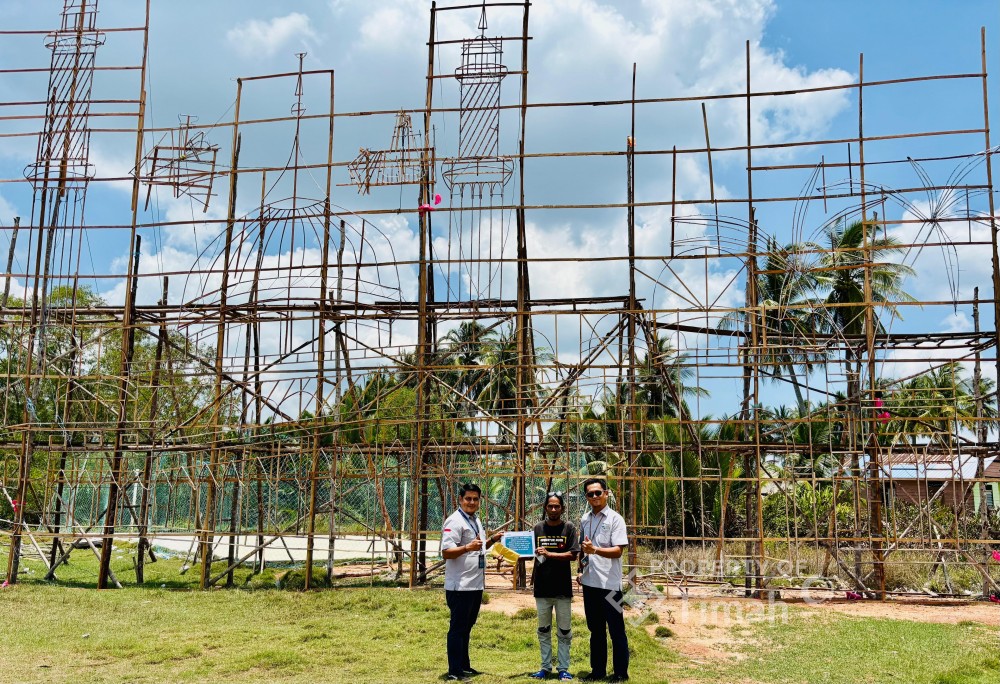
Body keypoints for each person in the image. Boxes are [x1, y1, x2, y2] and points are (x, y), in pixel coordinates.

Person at [441, 483, 502, 681]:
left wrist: (493, 540)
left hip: (475, 584)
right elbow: (446, 552)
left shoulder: (475, 520)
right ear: (460, 499)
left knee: (467, 627)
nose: (472, 502)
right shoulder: (454, 521)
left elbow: (479, 547)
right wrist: (467, 547)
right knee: (458, 628)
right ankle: (454, 670)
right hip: (460, 585)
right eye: (468, 498)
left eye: (475, 499)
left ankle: (464, 665)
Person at [577, 477, 629, 682]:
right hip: (590, 583)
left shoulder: (615, 519)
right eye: (590, 494)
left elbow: (618, 551)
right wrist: (580, 569)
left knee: (616, 629)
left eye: (598, 492)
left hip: (610, 585)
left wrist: (595, 550)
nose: (595, 497)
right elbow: (583, 548)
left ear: (606, 494)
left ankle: (620, 673)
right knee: (596, 630)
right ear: (586, 497)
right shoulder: (585, 519)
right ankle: (598, 671)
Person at [529, 491, 580, 681]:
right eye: (550, 506)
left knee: (564, 631)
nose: (553, 509)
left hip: (562, 590)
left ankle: (563, 669)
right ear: (545, 508)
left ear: (562, 508)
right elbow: (528, 552)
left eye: (556, 506)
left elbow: (573, 554)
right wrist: (507, 554)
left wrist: (549, 554)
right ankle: (545, 667)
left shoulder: (569, 528)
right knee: (543, 630)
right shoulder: (537, 528)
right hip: (542, 589)